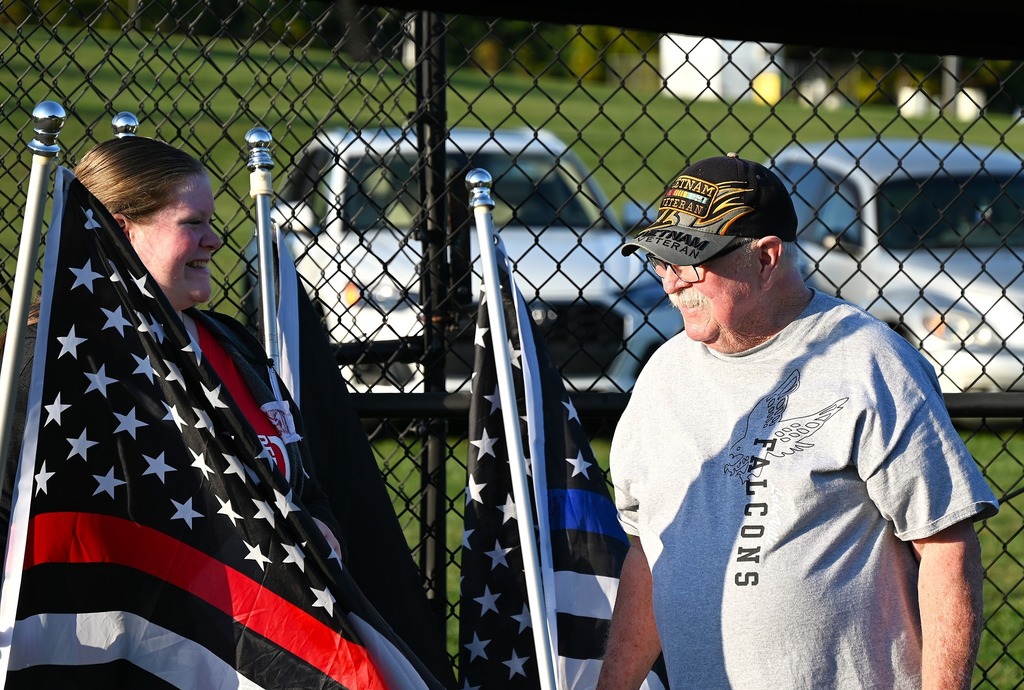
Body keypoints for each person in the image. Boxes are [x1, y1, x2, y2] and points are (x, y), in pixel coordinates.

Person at [595, 153, 999, 689]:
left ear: (765, 259)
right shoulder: (662, 377)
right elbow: (649, 553)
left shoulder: (868, 361)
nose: (671, 283)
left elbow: (945, 548)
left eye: (690, 263)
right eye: (660, 263)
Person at [0, 135, 343, 559]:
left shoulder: (233, 344)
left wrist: (322, 532)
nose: (214, 240)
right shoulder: (50, 362)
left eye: (210, 221)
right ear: (118, 232)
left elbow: (306, 487)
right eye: (192, 222)